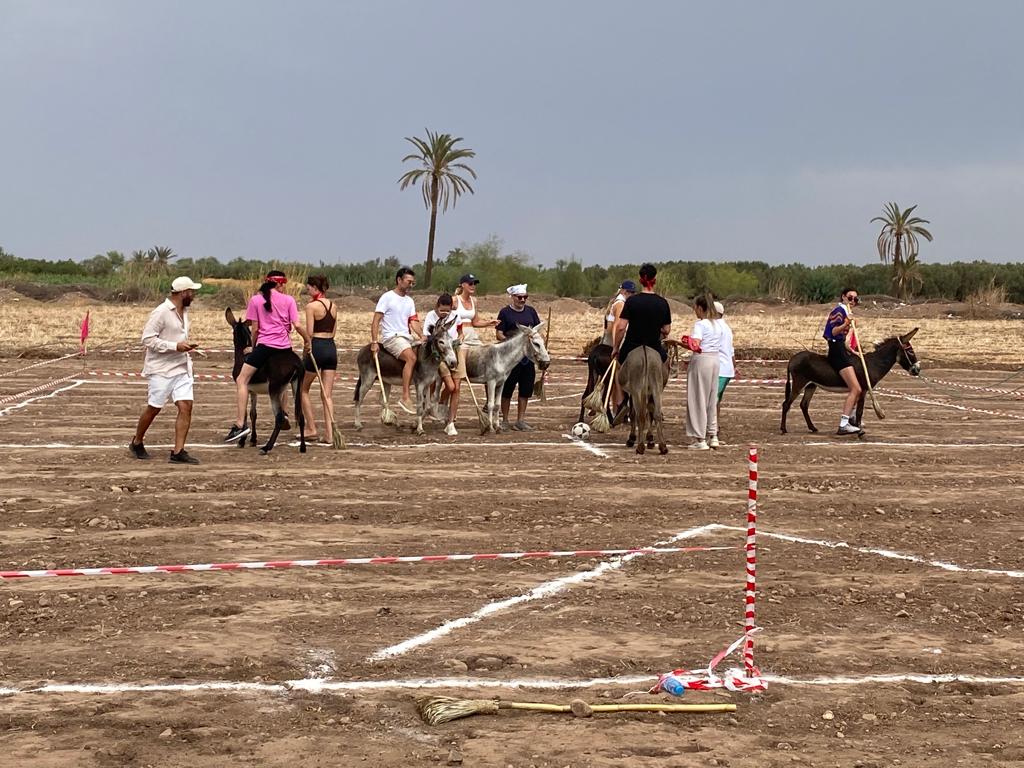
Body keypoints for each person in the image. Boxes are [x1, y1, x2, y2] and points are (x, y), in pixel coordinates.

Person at [223, 270, 311, 443]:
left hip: (265, 346)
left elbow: (255, 329)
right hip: (285, 347)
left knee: (242, 380)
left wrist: (253, 347)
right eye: (284, 284)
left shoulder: (255, 300)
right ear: (279, 284)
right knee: (284, 383)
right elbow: (298, 326)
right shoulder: (289, 300)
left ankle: (240, 424)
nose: (285, 287)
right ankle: (284, 412)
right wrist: (308, 341)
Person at [130, 276, 203, 464]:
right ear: (182, 293)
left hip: (182, 367)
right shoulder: (161, 312)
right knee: (154, 408)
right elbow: (147, 339)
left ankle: (178, 452)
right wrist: (174, 346)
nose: (194, 295)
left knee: (186, 406)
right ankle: (137, 442)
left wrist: (184, 347)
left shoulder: (184, 311)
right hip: (161, 369)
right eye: (191, 292)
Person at [449, 273, 498, 430]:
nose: (473, 286)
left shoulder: (474, 301)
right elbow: (444, 316)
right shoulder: (454, 300)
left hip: (473, 336)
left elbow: (475, 321)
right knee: (458, 374)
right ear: (462, 284)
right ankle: (451, 414)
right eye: (470, 283)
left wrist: (489, 323)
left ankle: (488, 402)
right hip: (459, 337)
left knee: (488, 359)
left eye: (474, 283)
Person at [371, 266, 422, 414]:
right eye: (408, 281)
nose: (410, 285)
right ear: (399, 280)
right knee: (411, 358)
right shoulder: (387, 297)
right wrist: (374, 341)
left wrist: (423, 336)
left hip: (407, 337)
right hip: (391, 337)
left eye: (413, 282)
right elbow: (376, 321)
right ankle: (405, 396)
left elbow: (414, 321)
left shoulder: (410, 301)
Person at [496, 283, 542, 431]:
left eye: (525, 297)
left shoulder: (531, 312)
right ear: (513, 297)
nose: (522, 300)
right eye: (520, 297)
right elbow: (499, 333)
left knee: (525, 390)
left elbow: (536, 331)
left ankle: (520, 420)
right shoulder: (505, 313)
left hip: (527, 359)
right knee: (507, 389)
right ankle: (504, 420)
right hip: (510, 358)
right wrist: (508, 344)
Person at [299, 275, 338, 444]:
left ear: (315, 287)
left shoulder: (311, 306)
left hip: (317, 347)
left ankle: (311, 428)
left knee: (303, 388)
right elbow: (334, 332)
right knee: (327, 395)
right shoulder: (334, 306)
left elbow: (309, 333)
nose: (307, 290)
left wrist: (307, 349)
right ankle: (330, 435)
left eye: (308, 288)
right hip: (331, 347)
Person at [681, 295, 723, 450]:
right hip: (715, 360)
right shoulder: (718, 324)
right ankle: (713, 435)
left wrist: (682, 343)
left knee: (698, 398)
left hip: (702, 360)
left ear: (700, 308)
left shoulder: (701, 325)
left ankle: (700, 438)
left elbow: (696, 344)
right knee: (712, 399)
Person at [611, 264, 671, 369]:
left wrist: (615, 348)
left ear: (640, 280)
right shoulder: (663, 303)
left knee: (617, 369)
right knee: (666, 364)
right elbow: (666, 330)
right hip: (654, 346)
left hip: (631, 347)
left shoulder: (631, 301)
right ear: (655, 280)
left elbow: (621, 327)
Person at [823, 287, 864, 434]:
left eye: (855, 299)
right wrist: (846, 323)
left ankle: (852, 419)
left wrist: (852, 351)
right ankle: (844, 424)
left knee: (858, 388)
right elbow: (834, 332)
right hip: (836, 351)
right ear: (843, 297)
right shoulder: (838, 311)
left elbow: (842, 340)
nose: (853, 301)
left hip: (841, 348)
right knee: (856, 389)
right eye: (850, 297)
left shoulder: (847, 312)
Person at [422, 293, 462, 435]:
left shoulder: (455, 317)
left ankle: (450, 422)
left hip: (454, 352)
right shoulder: (430, 316)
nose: (445, 313)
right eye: (442, 310)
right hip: (439, 354)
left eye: (447, 310)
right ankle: (435, 404)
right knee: (450, 386)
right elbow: (427, 335)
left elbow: (460, 331)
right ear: (436, 307)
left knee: (456, 388)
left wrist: (459, 341)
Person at [602, 280, 636, 412]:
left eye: (633, 293)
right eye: (629, 292)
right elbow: (617, 326)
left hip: (607, 340)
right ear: (623, 291)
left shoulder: (616, 302)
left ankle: (613, 407)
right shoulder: (621, 304)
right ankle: (619, 407)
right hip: (613, 342)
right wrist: (618, 346)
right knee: (617, 377)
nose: (631, 295)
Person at [714, 300, 736, 432]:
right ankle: (716, 424)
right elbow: (731, 349)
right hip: (727, 369)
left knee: (712, 400)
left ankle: (713, 428)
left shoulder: (716, 327)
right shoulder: (727, 328)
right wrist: (734, 365)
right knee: (717, 400)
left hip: (720, 369)